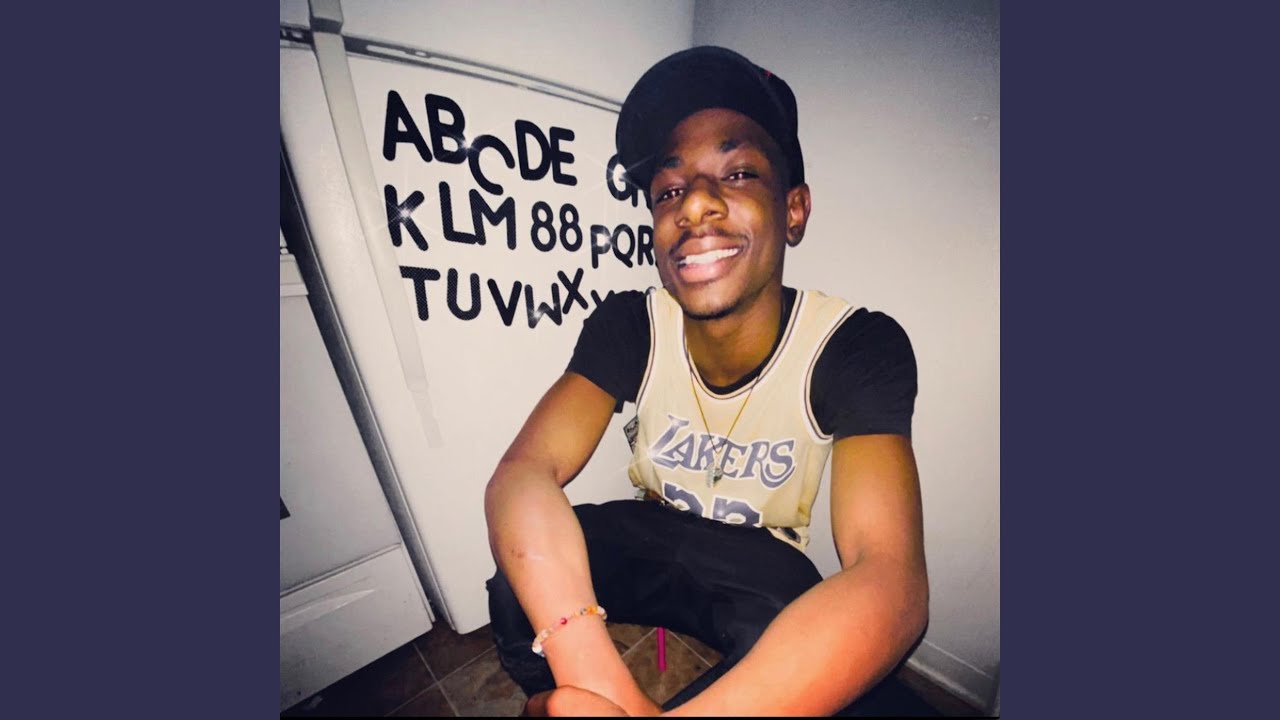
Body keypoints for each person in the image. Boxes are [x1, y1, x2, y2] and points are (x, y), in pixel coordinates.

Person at [484, 45, 928, 716]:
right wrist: (593, 673)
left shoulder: (854, 346)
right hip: (646, 529)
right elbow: (524, 471)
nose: (693, 203)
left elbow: (890, 578)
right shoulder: (630, 322)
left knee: (832, 657)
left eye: (739, 172)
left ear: (794, 209)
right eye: (668, 190)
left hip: (759, 566)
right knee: (517, 585)